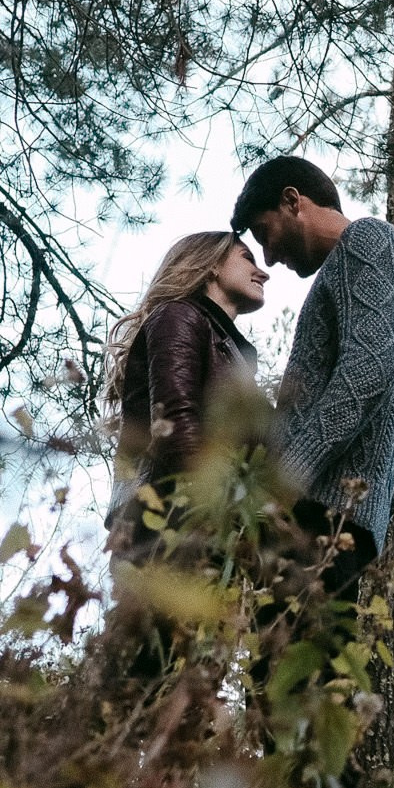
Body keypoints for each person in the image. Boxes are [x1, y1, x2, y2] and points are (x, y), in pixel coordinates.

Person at [230, 155, 394, 600]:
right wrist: (359, 524)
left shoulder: (367, 241)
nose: (268, 256)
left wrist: (285, 484)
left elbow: (369, 369)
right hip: (341, 533)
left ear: (292, 202)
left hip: (307, 516)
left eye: (265, 234)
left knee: (284, 667)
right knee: (304, 669)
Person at [104, 231, 269, 556]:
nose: (264, 272)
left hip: (201, 529)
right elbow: (176, 428)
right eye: (247, 257)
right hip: (174, 529)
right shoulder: (178, 315)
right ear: (212, 266)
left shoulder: (230, 352)